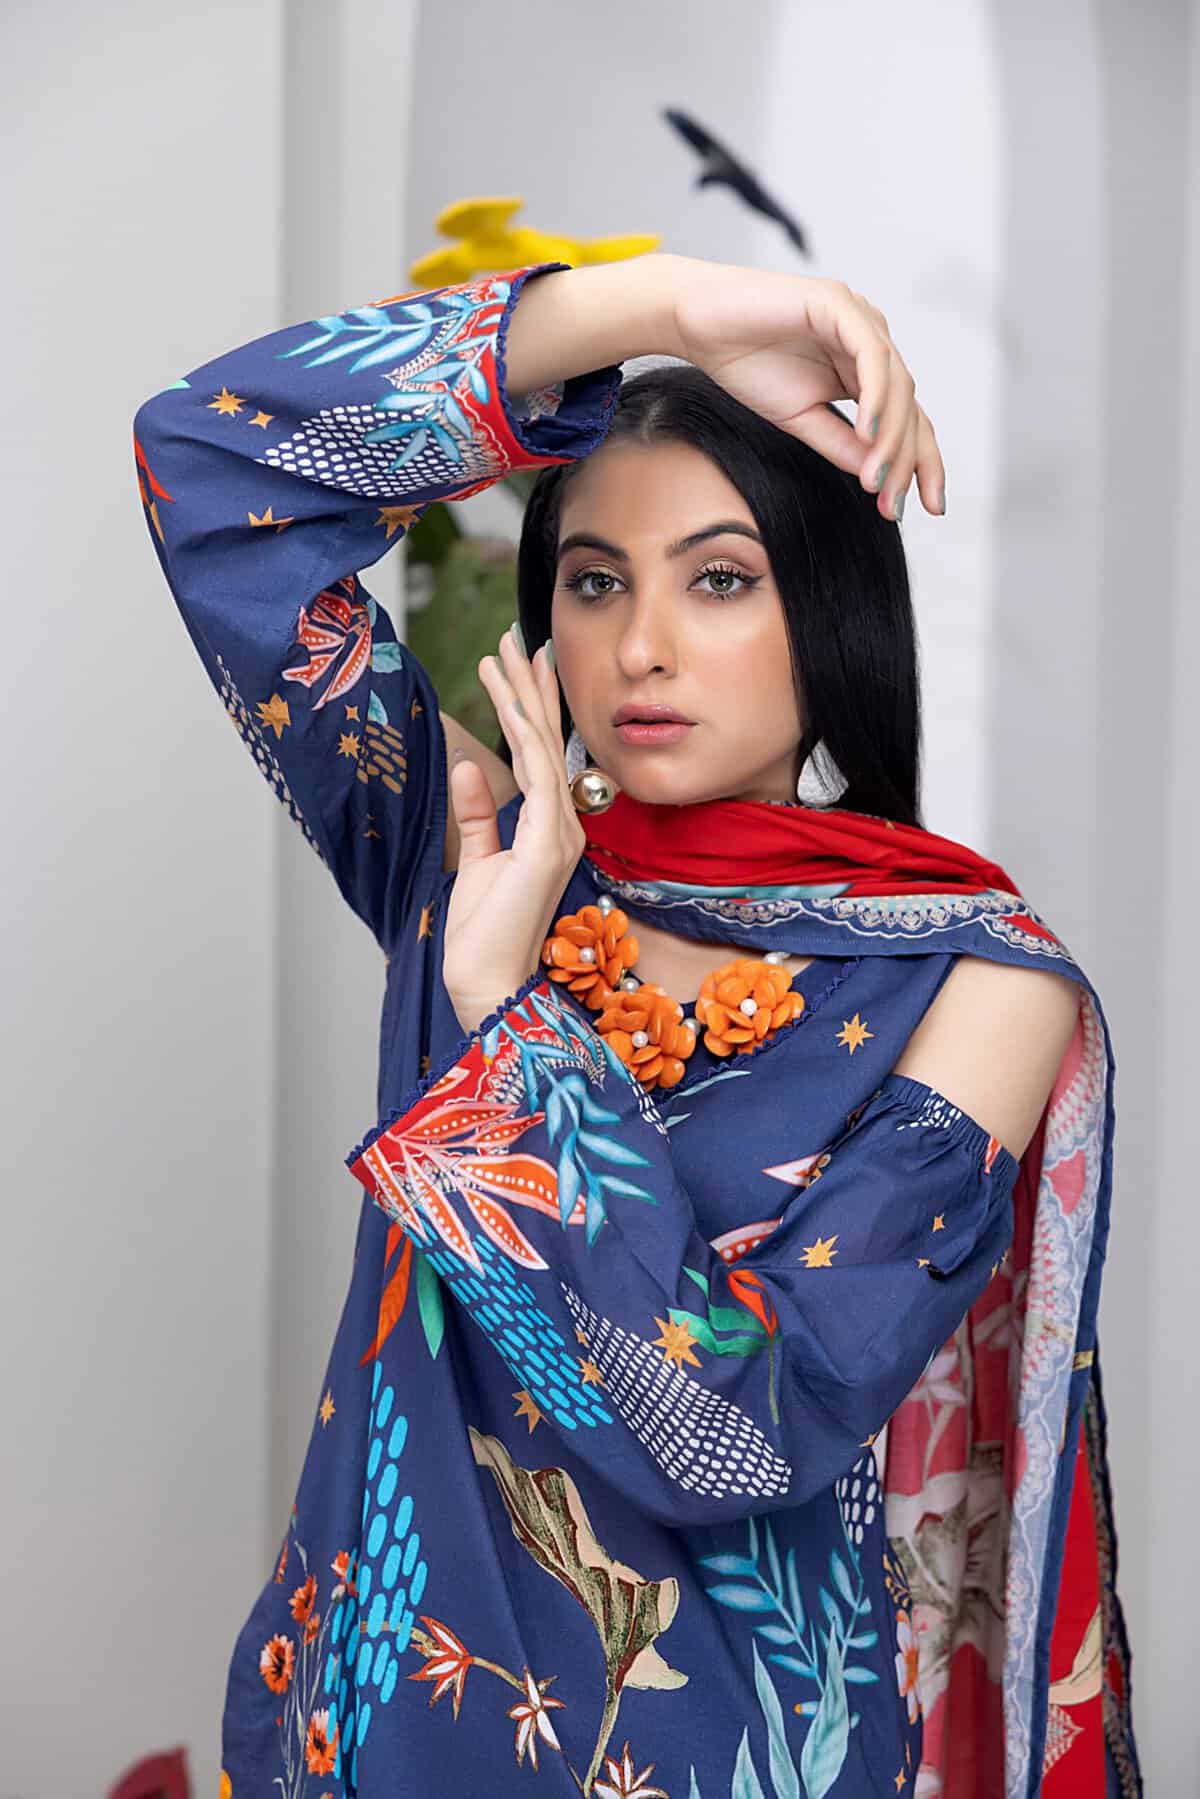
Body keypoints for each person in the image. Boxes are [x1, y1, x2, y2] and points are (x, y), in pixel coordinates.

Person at [133, 253, 1139, 1798]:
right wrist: (666, 309)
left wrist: (505, 1022)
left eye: (719, 579)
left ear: (831, 607)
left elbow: (741, 1430)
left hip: (720, 1758)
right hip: (366, 1746)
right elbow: (213, 464)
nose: (642, 645)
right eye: (596, 581)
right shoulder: (464, 845)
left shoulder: (976, 985)